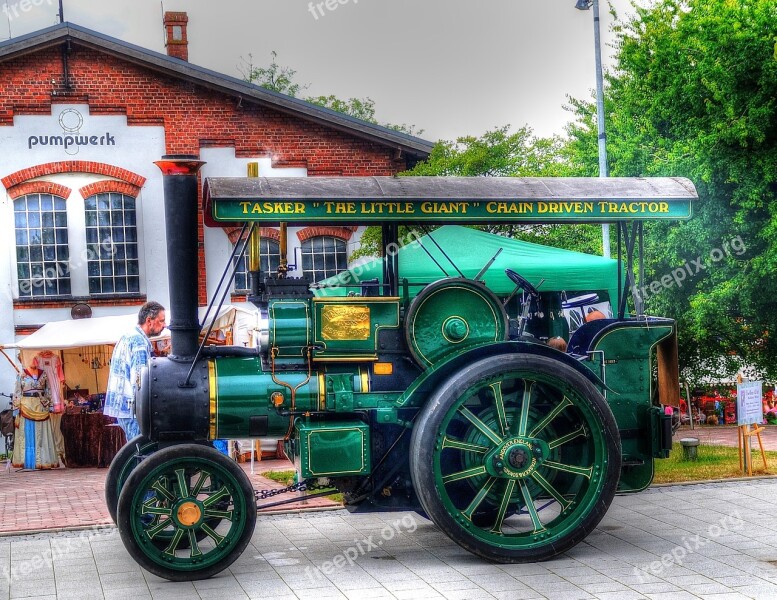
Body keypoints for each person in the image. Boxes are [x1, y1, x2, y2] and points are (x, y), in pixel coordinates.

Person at [104, 301, 166, 442]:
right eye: (161, 321)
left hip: (123, 405)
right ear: (149, 321)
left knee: (134, 451)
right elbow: (140, 380)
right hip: (132, 408)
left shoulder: (129, 336)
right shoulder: (139, 342)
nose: (164, 325)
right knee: (141, 451)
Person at [11, 362, 59, 469]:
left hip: (40, 405)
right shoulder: (22, 374)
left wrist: (50, 405)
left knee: (41, 433)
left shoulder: (43, 374)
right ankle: (28, 460)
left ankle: (43, 460)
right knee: (27, 433)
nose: (33, 362)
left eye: (35, 360)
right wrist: (16, 408)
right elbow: (17, 392)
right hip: (26, 406)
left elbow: (48, 390)